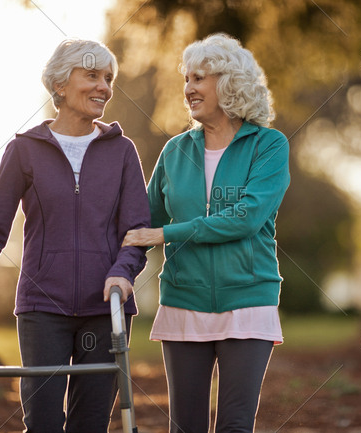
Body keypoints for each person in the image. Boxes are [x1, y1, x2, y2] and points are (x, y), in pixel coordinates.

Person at [0, 38, 150, 432]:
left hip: (105, 309)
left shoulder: (122, 151)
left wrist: (122, 273)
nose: (104, 86)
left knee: (91, 423)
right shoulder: (24, 150)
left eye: (108, 78)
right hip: (41, 309)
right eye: (91, 75)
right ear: (59, 85)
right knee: (43, 422)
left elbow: (136, 231)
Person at [122, 33, 290, 433]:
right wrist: (120, 272)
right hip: (184, 302)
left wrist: (166, 234)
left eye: (200, 78)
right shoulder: (174, 151)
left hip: (248, 302)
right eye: (187, 79)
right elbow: (141, 225)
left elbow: (245, 218)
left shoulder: (268, 145)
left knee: (235, 425)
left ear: (230, 83)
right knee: (185, 427)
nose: (188, 89)